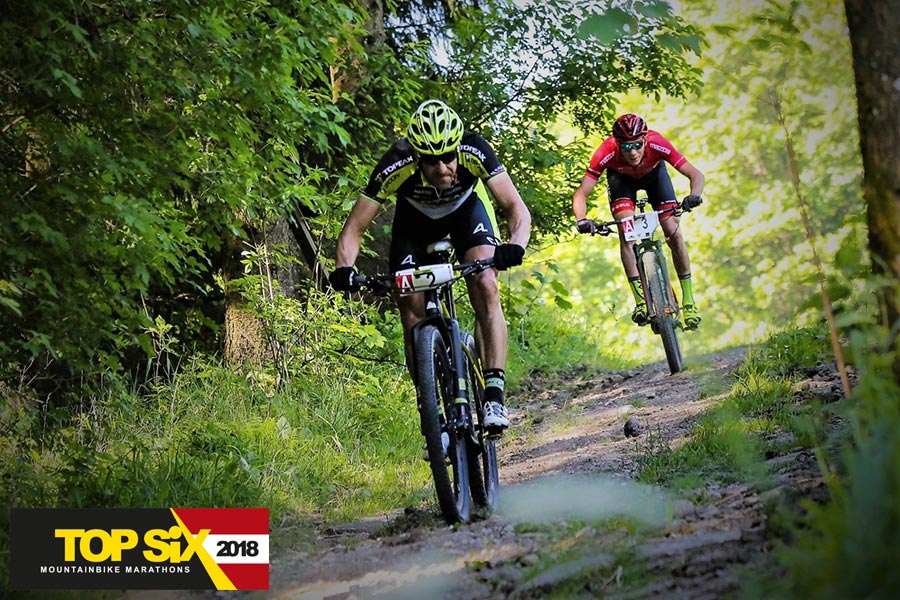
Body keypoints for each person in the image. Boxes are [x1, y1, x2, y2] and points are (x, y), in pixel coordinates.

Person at [330, 99, 532, 431]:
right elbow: (354, 228)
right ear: (416, 157)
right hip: (414, 225)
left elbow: (515, 208)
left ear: (458, 149)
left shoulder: (475, 149)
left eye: (448, 158)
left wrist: (514, 246)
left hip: (466, 214)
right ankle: (430, 408)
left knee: (485, 281)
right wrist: (344, 268)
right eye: (431, 161)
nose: (442, 169)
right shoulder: (395, 164)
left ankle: (494, 394)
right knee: (410, 307)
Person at [571, 113, 705, 330]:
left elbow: (696, 175)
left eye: (637, 145)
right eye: (625, 147)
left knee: (672, 230)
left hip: (655, 178)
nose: (632, 152)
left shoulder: (657, 143)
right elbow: (581, 193)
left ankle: (689, 301)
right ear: (617, 144)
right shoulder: (606, 152)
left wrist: (694, 195)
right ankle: (641, 302)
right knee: (626, 229)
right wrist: (582, 219)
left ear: (645, 140)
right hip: (621, 181)